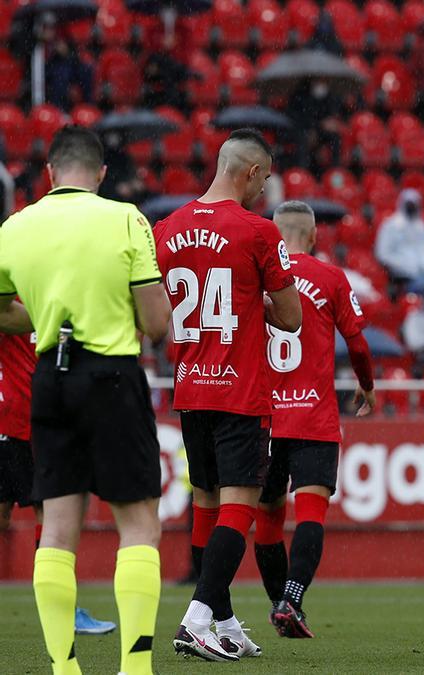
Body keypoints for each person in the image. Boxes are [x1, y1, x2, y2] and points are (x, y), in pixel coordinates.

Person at [0, 125, 172, 675]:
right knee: (140, 523)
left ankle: (64, 668)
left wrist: (51, 310)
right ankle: (135, 668)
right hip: (112, 374)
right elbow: (155, 322)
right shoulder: (125, 218)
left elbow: (2, 312)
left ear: (49, 173)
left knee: (56, 527)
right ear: (101, 174)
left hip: (49, 375)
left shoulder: (14, 228)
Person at [156, 128, 302, 662]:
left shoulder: (166, 230)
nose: (265, 190)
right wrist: (256, 303)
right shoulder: (257, 231)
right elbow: (291, 317)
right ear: (252, 172)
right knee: (238, 509)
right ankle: (197, 618)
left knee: (205, 504)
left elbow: (155, 313)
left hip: (190, 387)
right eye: (264, 178)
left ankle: (222, 618)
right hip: (238, 389)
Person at [253, 201, 376, 638]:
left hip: (262, 416)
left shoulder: (257, 277)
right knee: (310, 513)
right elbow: (358, 345)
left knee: (266, 518)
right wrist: (367, 385)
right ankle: (292, 599)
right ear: (314, 236)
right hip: (312, 415)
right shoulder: (330, 278)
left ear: (272, 233)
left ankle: (279, 605)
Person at [0, 327, 119, 638]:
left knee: (25, 513)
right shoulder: (26, 298)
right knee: (54, 513)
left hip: (21, 415)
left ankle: (61, 608)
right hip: (30, 418)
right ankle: (62, 611)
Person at [374, 189, 424, 293]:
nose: (411, 207)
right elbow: (382, 254)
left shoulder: (422, 227)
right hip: (398, 276)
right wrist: (404, 266)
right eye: (409, 204)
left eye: (414, 205)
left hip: (422, 275)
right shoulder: (391, 225)